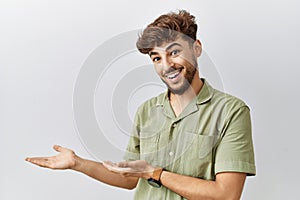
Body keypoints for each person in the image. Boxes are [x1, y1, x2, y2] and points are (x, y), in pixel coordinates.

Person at [26, 10, 256, 200]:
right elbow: (130, 179)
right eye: (156, 58)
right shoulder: (146, 111)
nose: (166, 66)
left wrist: (155, 173)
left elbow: (227, 194)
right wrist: (77, 163)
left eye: (174, 52)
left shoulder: (231, 112)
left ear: (196, 48)